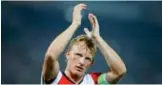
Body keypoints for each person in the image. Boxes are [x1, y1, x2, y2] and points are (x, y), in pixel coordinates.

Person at [41, 3, 127, 84]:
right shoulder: (54, 77)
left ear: (91, 63)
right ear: (68, 54)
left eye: (87, 59)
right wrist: (75, 24)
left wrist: (98, 39)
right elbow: (51, 56)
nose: (82, 62)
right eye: (78, 55)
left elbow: (120, 71)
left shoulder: (95, 81)